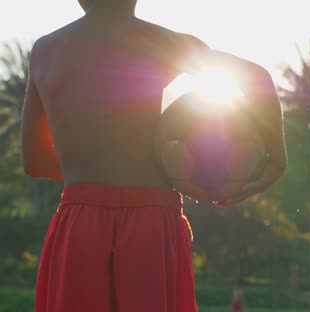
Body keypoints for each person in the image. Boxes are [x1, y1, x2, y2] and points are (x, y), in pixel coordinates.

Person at [22, 0, 287, 311]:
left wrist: (91, 171)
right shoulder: (160, 42)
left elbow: (34, 160)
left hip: (79, 224)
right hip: (150, 226)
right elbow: (257, 78)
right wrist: (276, 159)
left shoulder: (46, 50)